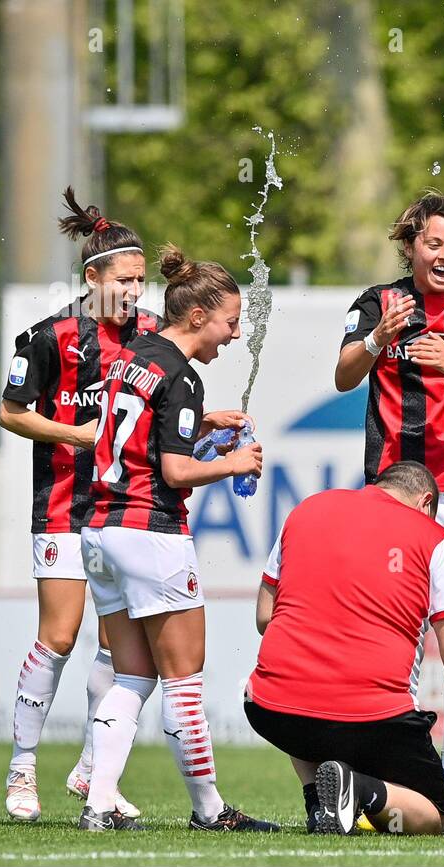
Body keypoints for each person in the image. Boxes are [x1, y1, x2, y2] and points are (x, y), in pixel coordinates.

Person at [77, 245, 273, 833]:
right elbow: (176, 471)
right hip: (148, 534)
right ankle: (210, 809)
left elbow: (142, 425)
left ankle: (100, 802)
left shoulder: (134, 354)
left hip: (99, 530)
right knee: (184, 676)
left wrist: (202, 421)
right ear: (196, 318)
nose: (234, 335)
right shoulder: (181, 375)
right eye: (230, 322)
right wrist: (235, 461)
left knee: (133, 675)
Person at [333, 191, 444, 808]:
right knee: (394, 620)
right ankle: (391, 763)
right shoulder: (377, 303)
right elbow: (344, 375)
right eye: (434, 243)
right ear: (410, 244)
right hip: (397, 487)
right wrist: (380, 338)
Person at [0, 188, 159, 822]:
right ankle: (22, 770)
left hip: (126, 510)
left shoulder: (151, 337)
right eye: (125, 280)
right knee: (60, 635)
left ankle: (93, 768)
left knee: (124, 649)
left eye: (142, 281)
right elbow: (12, 413)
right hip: (65, 504)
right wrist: (76, 435)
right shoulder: (48, 337)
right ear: (92, 277)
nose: (136, 292)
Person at [247, 462, 444, 835]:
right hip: (376, 718)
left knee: (297, 694)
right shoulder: (432, 536)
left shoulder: (305, 511)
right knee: (437, 817)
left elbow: (266, 617)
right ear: (426, 502)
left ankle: (319, 802)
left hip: (271, 710)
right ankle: (361, 790)